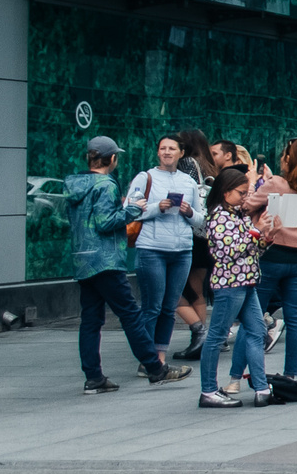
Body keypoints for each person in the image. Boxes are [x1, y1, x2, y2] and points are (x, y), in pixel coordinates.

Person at [64, 136, 160, 393]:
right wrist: (133, 210)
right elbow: (105, 222)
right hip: (106, 260)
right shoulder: (106, 184)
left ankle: (94, 377)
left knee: (91, 320)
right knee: (130, 314)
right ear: (112, 159)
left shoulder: (75, 183)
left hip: (83, 259)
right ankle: (154, 367)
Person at [250, 138, 297, 395]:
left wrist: (255, 180)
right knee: (295, 318)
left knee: (253, 315)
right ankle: (292, 373)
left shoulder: (277, 183)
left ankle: (243, 376)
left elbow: (247, 204)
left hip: (273, 257)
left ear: (288, 159)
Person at [125, 136, 200, 381]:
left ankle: (159, 359)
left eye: (172, 149)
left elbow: (202, 220)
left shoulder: (188, 181)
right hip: (152, 248)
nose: (167, 152)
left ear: (181, 153)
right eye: (162, 148)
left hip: (182, 251)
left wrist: (189, 212)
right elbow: (130, 208)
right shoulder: (145, 177)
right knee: (152, 307)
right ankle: (145, 361)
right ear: (157, 152)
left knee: (168, 309)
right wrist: (159, 206)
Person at [197, 168, 270, 408]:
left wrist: (262, 237)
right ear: (225, 192)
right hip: (230, 284)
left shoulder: (238, 215)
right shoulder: (218, 216)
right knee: (217, 335)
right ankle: (208, 391)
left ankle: (261, 388)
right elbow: (227, 252)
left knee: (257, 331)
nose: (245, 197)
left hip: (246, 281)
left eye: (247, 192)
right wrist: (256, 231)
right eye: (241, 193)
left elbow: (253, 250)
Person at [171, 128, 218, 360]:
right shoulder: (209, 165)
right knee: (197, 289)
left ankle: (198, 333)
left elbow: (181, 195)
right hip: (205, 237)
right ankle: (201, 339)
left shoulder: (187, 163)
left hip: (190, 234)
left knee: (176, 290)